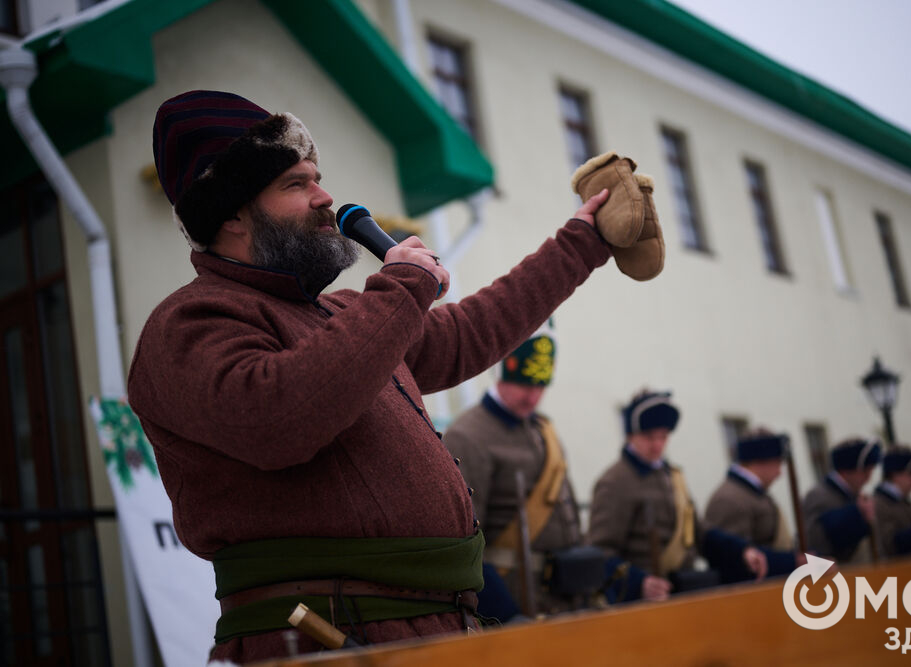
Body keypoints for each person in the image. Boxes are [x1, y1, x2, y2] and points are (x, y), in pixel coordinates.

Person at [126, 90, 655, 662]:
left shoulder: (340, 316)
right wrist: (403, 285)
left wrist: (584, 241)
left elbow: (471, 331)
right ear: (230, 213)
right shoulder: (189, 321)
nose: (326, 197)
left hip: (421, 629)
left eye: (317, 177)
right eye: (296, 184)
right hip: (321, 637)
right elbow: (278, 418)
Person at [442, 325, 668, 620]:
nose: (533, 397)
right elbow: (464, 542)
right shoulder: (468, 435)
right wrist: (505, 615)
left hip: (569, 596)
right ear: (501, 374)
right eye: (524, 384)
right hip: (515, 599)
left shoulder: (542, 430)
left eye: (540, 386)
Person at [588, 390, 706, 597]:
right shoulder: (614, 481)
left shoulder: (672, 476)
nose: (658, 445)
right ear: (630, 435)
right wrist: (637, 582)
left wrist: (740, 551)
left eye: (663, 437)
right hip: (642, 600)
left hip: (684, 589)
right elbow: (601, 552)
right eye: (649, 437)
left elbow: (698, 531)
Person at [701, 430, 802, 583]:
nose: (779, 473)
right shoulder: (729, 499)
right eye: (776, 464)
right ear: (760, 462)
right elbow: (737, 562)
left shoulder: (753, 494)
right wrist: (795, 562)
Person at [802, 438, 881, 564]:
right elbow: (817, 541)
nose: (868, 478)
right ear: (846, 470)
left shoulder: (854, 495)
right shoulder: (818, 495)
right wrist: (857, 514)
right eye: (865, 471)